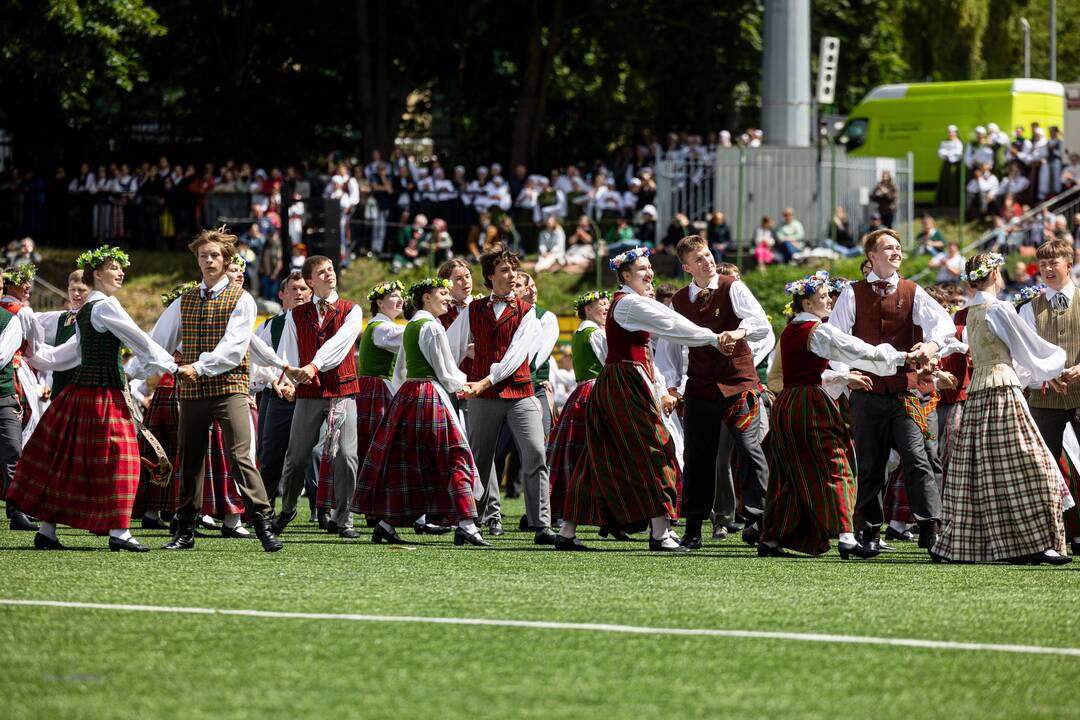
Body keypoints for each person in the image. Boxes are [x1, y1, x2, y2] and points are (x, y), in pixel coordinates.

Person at [556, 247, 727, 552]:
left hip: (624, 380)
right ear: (624, 276)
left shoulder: (632, 302)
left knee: (600, 455)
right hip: (625, 382)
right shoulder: (629, 305)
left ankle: (567, 533)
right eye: (641, 270)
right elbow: (672, 325)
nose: (649, 274)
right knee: (656, 447)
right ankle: (660, 532)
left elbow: (665, 325)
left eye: (649, 268)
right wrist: (714, 338)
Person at [7, 246, 177, 551]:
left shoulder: (87, 309)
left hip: (80, 396)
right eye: (113, 267)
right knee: (123, 459)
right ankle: (120, 533)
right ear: (96, 274)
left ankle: (47, 530)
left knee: (68, 461)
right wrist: (174, 366)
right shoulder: (106, 306)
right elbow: (139, 340)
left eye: (120, 267)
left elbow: (67, 355)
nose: (120, 272)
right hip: (102, 397)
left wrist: (34, 353)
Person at [760, 270, 913, 559]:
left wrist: (842, 379)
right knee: (837, 463)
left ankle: (770, 538)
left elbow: (810, 371)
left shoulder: (791, 329)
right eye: (822, 297)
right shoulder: (818, 330)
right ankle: (846, 536)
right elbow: (856, 350)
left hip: (786, 405)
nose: (829, 300)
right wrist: (902, 357)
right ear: (807, 303)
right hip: (809, 404)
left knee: (787, 473)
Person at [152, 228, 285, 552]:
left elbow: (234, 348)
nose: (209, 260)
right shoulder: (185, 300)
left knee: (241, 456)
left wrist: (196, 367)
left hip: (229, 389)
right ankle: (185, 529)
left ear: (226, 260)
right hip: (194, 393)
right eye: (203, 255)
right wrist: (133, 377)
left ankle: (263, 524)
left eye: (214, 255)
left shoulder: (242, 299)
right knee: (190, 460)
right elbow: (157, 342)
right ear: (197, 260)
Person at [935, 253, 1070, 565]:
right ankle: (1035, 542)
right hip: (1002, 391)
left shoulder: (968, 313)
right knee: (1034, 465)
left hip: (977, 396)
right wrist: (1055, 368)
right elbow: (1029, 349)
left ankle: (998, 545)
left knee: (981, 471)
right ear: (994, 272)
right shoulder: (999, 308)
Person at [828, 228, 955, 552]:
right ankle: (868, 532)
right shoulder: (852, 292)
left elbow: (944, 324)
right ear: (872, 256)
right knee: (870, 465)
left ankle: (930, 529)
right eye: (889, 248)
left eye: (898, 247)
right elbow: (835, 338)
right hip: (867, 392)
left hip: (905, 393)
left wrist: (932, 345)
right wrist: (845, 376)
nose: (896, 252)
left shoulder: (913, 290)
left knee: (918, 459)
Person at [353, 277, 487, 547]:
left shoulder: (412, 324)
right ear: (426, 297)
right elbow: (445, 371)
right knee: (454, 454)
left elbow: (401, 368)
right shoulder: (432, 328)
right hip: (430, 394)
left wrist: (403, 393)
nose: (447, 297)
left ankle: (385, 523)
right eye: (442, 292)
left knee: (409, 460)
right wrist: (467, 385)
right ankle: (467, 524)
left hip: (408, 396)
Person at [668, 235, 772, 549]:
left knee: (750, 450)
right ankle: (694, 527)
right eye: (699, 259)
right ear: (687, 267)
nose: (707, 261)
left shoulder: (733, 287)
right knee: (697, 457)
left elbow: (760, 324)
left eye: (708, 255)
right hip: (699, 386)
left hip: (739, 383)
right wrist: (671, 385)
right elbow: (671, 347)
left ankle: (758, 520)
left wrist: (738, 331)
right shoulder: (679, 301)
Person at [446, 245, 554, 544]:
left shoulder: (527, 311)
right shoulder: (474, 309)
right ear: (490, 276)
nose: (511, 276)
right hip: (482, 397)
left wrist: (484, 381)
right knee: (479, 459)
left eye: (513, 270)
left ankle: (541, 525)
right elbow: (450, 347)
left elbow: (516, 355)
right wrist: (453, 380)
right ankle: (472, 524)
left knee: (535, 454)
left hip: (520, 392)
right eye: (505, 270)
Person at [271, 255, 364, 539]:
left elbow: (338, 346)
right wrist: (286, 379)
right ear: (310, 282)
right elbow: (288, 351)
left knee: (347, 456)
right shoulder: (296, 315)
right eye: (322, 272)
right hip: (309, 393)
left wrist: (312, 366)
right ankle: (287, 509)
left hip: (342, 390)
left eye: (331, 270)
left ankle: (343, 517)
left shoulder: (352, 310)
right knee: (296, 457)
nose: (330, 275)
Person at [1020, 240, 1080, 500]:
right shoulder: (1029, 308)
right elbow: (1027, 353)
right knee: (1044, 467)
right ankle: (1054, 532)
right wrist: (1047, 373)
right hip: (1044, 399)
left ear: (1069, 264)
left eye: (1053, 263)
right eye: (1042, 264)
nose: (1047, 269)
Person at [546, 291, 609, 525]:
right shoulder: (594, 333)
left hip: (583, 391)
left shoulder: (582, 331)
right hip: (595, 392)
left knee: (573, 452)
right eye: (600, 304)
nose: (605, 307)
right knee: (590, 452)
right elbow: (609, 362)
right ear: (588, 310)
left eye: (606, 303)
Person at [35, 269, 91, 399]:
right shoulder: (62, 318)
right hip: (60, 389)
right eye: (73, 290)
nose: (76, 294)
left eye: (81, 290)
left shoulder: (93, 317)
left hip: (83, 389)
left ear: (91, 290)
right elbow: (31, 320)